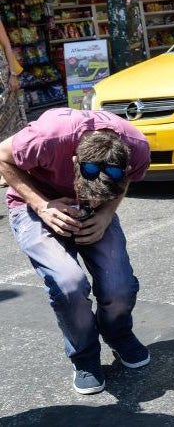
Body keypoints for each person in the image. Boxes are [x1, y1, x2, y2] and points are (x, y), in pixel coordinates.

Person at [0, 108, 151, 395]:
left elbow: (125, 179)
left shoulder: (138, 147)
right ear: (73, 162)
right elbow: (1, 155)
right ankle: (84, 355)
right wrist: (42, 205)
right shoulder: (48, 137)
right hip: (35, 202)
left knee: (119, 284)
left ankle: (118, 333)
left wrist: (105, 213)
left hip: (99, 209)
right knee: (68, 283)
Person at [0, 19, 26, 187]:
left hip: (1, 78)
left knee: (7, 125)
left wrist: (13, 74)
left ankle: (7, 171)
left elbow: (7, 46)